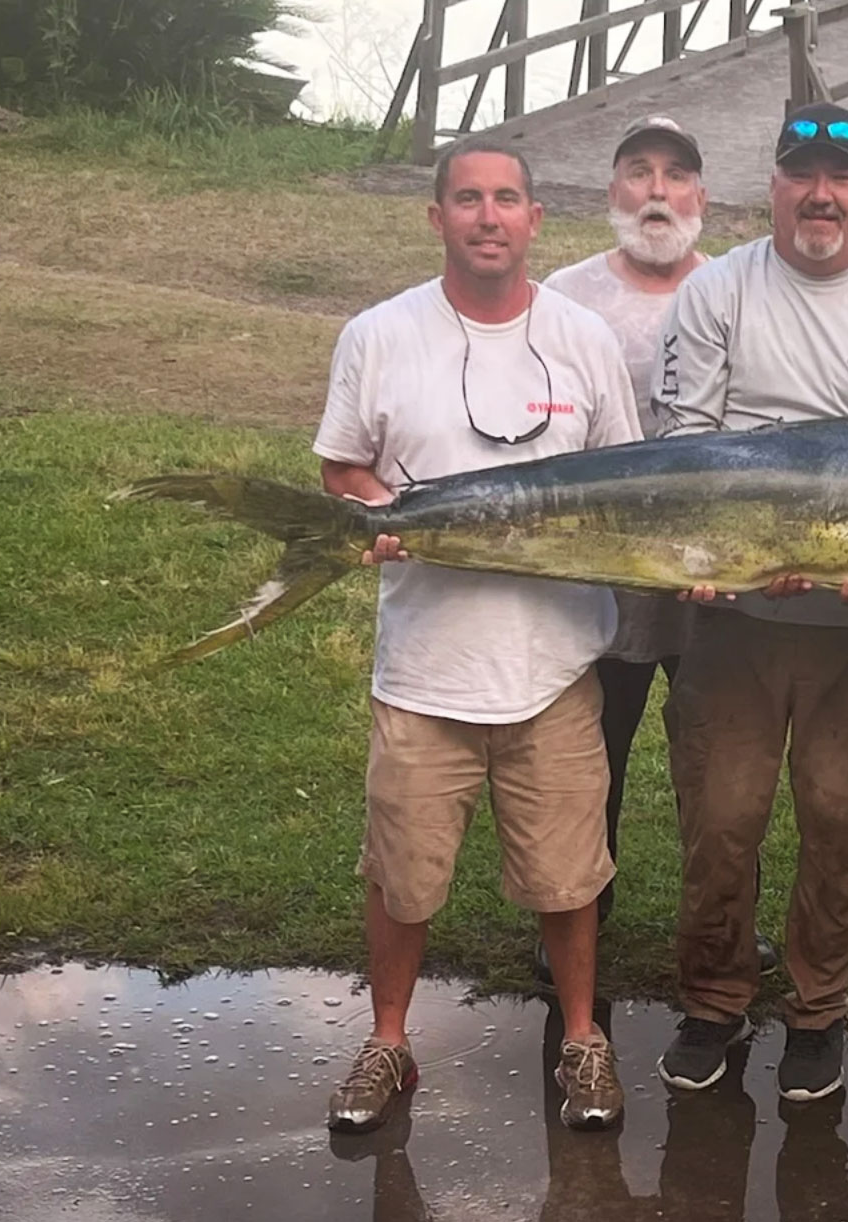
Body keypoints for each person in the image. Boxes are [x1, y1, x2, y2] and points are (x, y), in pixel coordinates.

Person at [315, 136, 638, 1135]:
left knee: (569, 874)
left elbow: (626, 486)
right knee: (401, 876)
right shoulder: (378, 334)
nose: (488, 216)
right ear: (438, 218)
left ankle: (583, 1036)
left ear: (537, 219)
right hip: (423, 672)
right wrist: (385, 517)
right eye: (467, 199)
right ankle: (388, 1038)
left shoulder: (584, 338)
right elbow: (343, 470)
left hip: (552, 668)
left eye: (507, 199)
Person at [650, 102, 848, 1103]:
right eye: (802, 174)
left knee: (842, 819)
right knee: (721, 818)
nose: (821, 194)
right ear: (775, 184)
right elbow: (686, 451)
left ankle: (817, 1009)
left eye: (844, 176)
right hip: (735, 622)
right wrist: (728, 556)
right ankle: (714, 998)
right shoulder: (717, 292)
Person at [541, 116, 779, 978]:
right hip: (600, 575)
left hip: (716, 574)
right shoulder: (561, 298)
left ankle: (724, 926)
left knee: (723, 762)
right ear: (612, 193)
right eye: (638, 173)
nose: (656, 191)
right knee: (588, 752)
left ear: (701, 200)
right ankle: (577, 921)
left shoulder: (738, 290)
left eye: (675, 176)